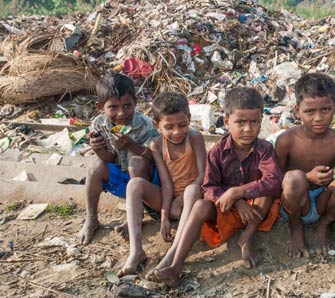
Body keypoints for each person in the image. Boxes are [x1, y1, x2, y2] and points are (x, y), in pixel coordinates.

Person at [146, 87, 283, 286]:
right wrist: (236, 201)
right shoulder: (218, 151)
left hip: (256, 211)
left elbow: (274, 180)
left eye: (254, 122)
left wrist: (239, 191)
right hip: (227, 210)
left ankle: (246, 238)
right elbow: (209, 187)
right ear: (227, 122)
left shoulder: (264, 149)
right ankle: (176, 265)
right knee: (201, 205)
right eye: (240, 122)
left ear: (261, 120)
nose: (248, 129)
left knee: (267, 190)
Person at [275, 73, 335, 258]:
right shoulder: (286, 140)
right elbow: (275, 179)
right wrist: (307, 178)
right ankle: (295, 226)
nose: (318, 118)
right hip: (294, 202)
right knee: (295, 178)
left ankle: (325, 225)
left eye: (325, 110)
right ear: (297, 110)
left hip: (323, 201)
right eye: (309, 111)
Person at [117, 92, 206, 277]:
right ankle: (136, 252)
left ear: (189, 119)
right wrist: (165, 215)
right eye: (169, 127)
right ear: (157, 125)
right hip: (171, 201)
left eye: (182, 125)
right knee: (135, 185)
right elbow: (166, 184)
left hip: (194, 200)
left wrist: (179, 201)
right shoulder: (156, 145)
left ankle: (173, 253)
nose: (176, 132)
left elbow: (203, 177)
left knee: (192, 190)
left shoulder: (195, 137)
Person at [79, 73, 158, 245]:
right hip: (120, 179)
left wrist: (130, 145)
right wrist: (98, 149)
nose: (121, 113)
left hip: (143, 180)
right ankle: (91, 218)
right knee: (95, 166)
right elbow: (110, 158)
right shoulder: (99, 124)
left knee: (135, 162)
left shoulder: (144, 124)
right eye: (113, 107)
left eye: (127, 106)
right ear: (100, 107)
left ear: (135, 103)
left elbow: (153, 157)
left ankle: (134, 219)